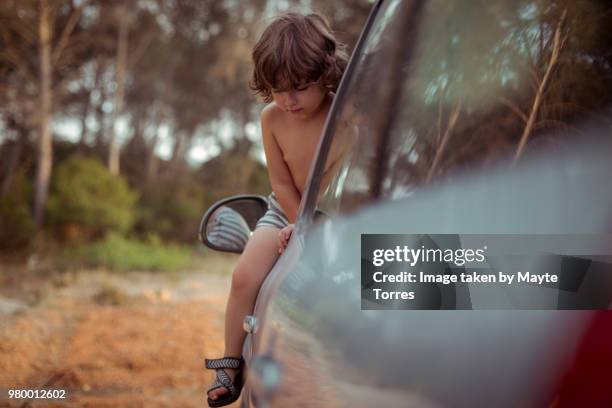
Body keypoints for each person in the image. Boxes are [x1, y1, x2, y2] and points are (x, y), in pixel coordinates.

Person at [205, 12, 348, 407]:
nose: (288, 100)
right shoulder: (271, 119)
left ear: (325, 72)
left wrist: (315, 225)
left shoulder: (346, 118)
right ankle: (230, 365)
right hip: (283, 211)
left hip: (333, 215)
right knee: (244, 276)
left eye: (300, 87)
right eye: (277, 89)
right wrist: (299, 223)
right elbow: (282, 184)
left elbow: (344, 181)